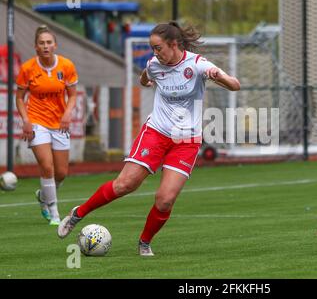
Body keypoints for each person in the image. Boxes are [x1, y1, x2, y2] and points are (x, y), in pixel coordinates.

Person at [57, 21, 240, 256]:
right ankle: (78, 214)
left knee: (165, 200)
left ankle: (144, 242)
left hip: (186, 142)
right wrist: (146, 78)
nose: (155, 53)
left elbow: (235, 85)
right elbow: (145, 77)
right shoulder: (155, 64)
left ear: (173, 45)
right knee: (125, 184)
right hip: (156, 132)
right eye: (152, 48)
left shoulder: (197, 65)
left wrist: (218, 76)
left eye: (158, 47)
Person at [16, 25, 78, 226]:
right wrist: (26, 120)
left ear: (55, 45)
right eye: (41, 43)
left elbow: (73, 94)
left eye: (49, 42)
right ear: (35, 47)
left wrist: (68, 113)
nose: (45, 46)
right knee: (47, 166)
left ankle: (43, 195)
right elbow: (19, 97)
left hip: (59, 123)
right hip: (36, 121)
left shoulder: (66, 66)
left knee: (61, 173)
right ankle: (53, 212)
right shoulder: (27, 69)